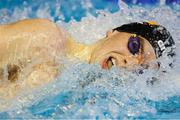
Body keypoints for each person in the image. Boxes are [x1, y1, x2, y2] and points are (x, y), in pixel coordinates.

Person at [0, 19, 175, 99]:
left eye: (142, 69)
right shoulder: (47, 39)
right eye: (135, 47)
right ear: (113, 32)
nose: (131, 62)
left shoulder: (80, 99)